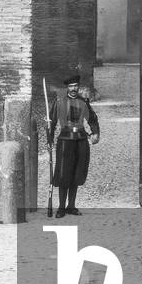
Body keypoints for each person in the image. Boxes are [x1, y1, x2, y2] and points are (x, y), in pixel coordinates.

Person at [47, 73, 99, 218]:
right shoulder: (59, 103)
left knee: (76, 173)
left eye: (76, 85)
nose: (73, 88)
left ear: (78, 87)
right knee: (64, 174)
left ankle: (71, 206)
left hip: (81, 140)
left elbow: (93, 119)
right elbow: (51, 122)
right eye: (71, 86)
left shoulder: (84, 103)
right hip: (65, 141)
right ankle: (62, 208)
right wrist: (49, 139)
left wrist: (95, 133)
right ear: (67, 88)